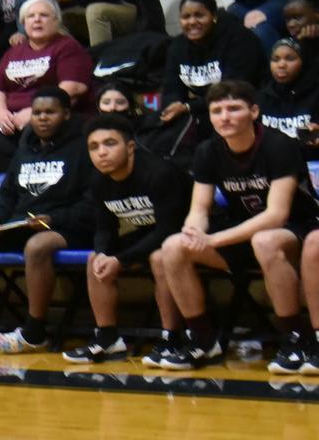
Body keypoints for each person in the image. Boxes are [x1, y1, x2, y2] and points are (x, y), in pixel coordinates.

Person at [149, 80, 319, 372]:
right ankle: (203, 340)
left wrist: (215, 240)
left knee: (266, 240)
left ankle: (296, 338)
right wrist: (194, 231)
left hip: (297, 229)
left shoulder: (278, 145)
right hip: (243, 232)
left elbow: (277, 215)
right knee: (173, 246)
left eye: (233, 109)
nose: (224, 117)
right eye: (217, 111)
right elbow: (199, 209)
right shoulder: (207, 151)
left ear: (254, 112)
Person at [0, 89, 93, 354]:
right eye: (37, 113)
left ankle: (34, 333)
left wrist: (52, 219)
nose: (42, 118)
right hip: (23, 223)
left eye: (50, 112)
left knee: (37, 247)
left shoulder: (83, 149)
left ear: (66, 114)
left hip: (67, 226)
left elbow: (91, 203)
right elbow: (7, 194)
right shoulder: (25, 148)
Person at [61, 114, 190, 363]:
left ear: (130, 147)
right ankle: (107, 338)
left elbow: (168, 229)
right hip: (151, 233)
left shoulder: (159, 173)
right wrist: (103, 253)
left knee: (159, 257)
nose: (101, 152)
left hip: (186, 233)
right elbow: (105, 228)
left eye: (109, 143)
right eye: (94, 147)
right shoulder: (99, 181)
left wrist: (121, 259)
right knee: (95, 259)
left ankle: (172, 338)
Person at [0, 0, 93, 177]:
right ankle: (1, 189)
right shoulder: (14, 52)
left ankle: (31, 187)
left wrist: (35, 113)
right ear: (23, 23)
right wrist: (1, 114)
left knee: (35, 129)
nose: (37, 20)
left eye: (44, 15)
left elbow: (72, 88)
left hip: (52, 116)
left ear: (56, 21)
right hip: (14, 117)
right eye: (31, 16)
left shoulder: (68, 47)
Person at [158, 0, 266, 148]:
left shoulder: (239, 39)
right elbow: (171, 88)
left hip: (240, 105)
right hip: (204, 108)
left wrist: (188, 107)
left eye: (199, 15)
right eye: (186, 17)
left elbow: (234, 88)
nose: (192, 21)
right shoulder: (177, 47)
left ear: (214, 16)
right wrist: (172, 106)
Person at [259, 38, 319, 158]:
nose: (281, 65)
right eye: (275, 59)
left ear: (304, 62)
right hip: (272, 164)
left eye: (290, 59)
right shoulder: (261, 97)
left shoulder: (316, 94)